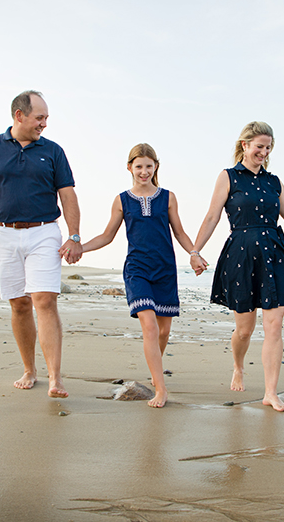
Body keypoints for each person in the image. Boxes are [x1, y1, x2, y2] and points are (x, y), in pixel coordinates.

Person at [190, 122, 284, 412]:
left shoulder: (274, 182)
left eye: (268, 148)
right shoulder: (228, 177)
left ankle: (271, 392)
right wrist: (196, 251)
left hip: (274, 252)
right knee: (244, 330)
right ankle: (239, 366)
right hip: (241, 253)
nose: (264, 152)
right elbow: (211, 217)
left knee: (274, 327)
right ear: (244, 145)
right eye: (259, 146)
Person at [0, 90, 82, 399]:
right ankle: (30, 369)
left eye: (46, 118)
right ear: (19, 116)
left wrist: (75, 235)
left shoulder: (53, 151)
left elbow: (68, 196)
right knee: (19, 303)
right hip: (2, 233)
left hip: (44, 232)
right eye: (40, 118)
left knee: (44, 299)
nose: (44, 124)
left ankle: (55, 378)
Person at [81, 144, 197, 408]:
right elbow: (107, 236)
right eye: (138, 166)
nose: (144, 171)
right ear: (129, 167)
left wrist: (194, 252)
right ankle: (161, 388)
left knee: (164, 330)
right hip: (137, 269)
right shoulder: (121, 200)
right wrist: (81, 247)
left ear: (156, 166)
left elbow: (179, 232)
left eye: (148, 166)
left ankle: (155, 369)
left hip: (165, 269)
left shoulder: (168, 197)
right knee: (149, 325)